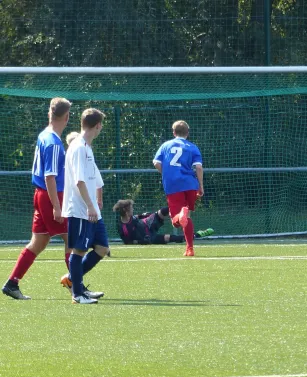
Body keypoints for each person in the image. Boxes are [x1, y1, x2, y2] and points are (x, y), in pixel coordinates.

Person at [2, 98, 72, 300]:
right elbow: (50, 177)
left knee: (38, 242)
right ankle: (77, 286)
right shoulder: (54, 143)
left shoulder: (44, 135)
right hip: (51, 196)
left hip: (40, 194)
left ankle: (12, 283)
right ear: (66, 117)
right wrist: (57, 207)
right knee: (71, 237)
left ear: (50, 114)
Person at [61, 108, 110, 304]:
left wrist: (96, 202)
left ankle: (73, 281)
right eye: (101, 125)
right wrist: (90, 205)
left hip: (91, 210)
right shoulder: (79, 148)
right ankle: (78, 294)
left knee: (102, 248)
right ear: (97, 125)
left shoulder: (86, 147)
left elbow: (94, 180)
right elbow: (79, 182)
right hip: (82, 209)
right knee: (79, 250)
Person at [153, 120, 204, 256]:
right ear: (188, 133)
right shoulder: (192, 147)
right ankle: (190, 248)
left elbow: (156, 162)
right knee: (187, 217)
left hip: (173, 184)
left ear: (174, 132)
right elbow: (198, 167)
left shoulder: (165, 145)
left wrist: (167, 173)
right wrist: (201, 185)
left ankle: (180, 216)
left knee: (176, 221)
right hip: (190, 184)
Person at [113, 199, 214, 245]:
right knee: (171, 238)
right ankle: (198, 235)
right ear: (126, 211)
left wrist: (145, 215)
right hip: (148, 237)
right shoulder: (123, 228)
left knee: (163, 211)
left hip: (147, 223)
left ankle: (182, 210)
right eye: (131, 208)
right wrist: (141, 241)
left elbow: (136, 217)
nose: (132, 209)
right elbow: (128, 242)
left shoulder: (131, 217)